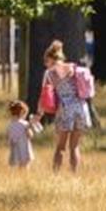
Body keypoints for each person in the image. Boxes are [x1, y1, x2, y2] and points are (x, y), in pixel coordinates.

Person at [35, 40, 91, 172]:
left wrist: (39, 114)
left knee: (60, 147)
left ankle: (56, 175)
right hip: (81, 107)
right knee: (74, 146)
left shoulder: (49, 73)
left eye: (46, 61)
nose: (45, 64)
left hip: (65, 108)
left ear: (51, 59)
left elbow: (44, 95)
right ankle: (74, 175)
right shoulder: (73, 67)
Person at [7, 100, 36, 168]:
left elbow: (8, 137)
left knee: (16, 165)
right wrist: (30, 127)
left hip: (15, 149)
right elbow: (30, 135)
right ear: (22, 113)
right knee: (25, 166)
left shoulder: (10, 125)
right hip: (24, 148)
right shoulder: (25, 124)